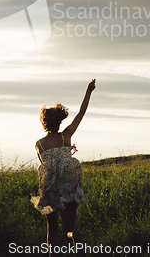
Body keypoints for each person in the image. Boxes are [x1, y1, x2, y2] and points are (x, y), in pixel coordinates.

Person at [31, 79, 96, 256]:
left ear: (44, 122)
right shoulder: (66, 136)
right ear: (60, 122)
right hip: (68, 184)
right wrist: (89, 91)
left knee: (51, 227)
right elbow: (81, 114)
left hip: (50, 187)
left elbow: (44, 167)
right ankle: (75, 243)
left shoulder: (39, 144)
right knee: (70, 227)